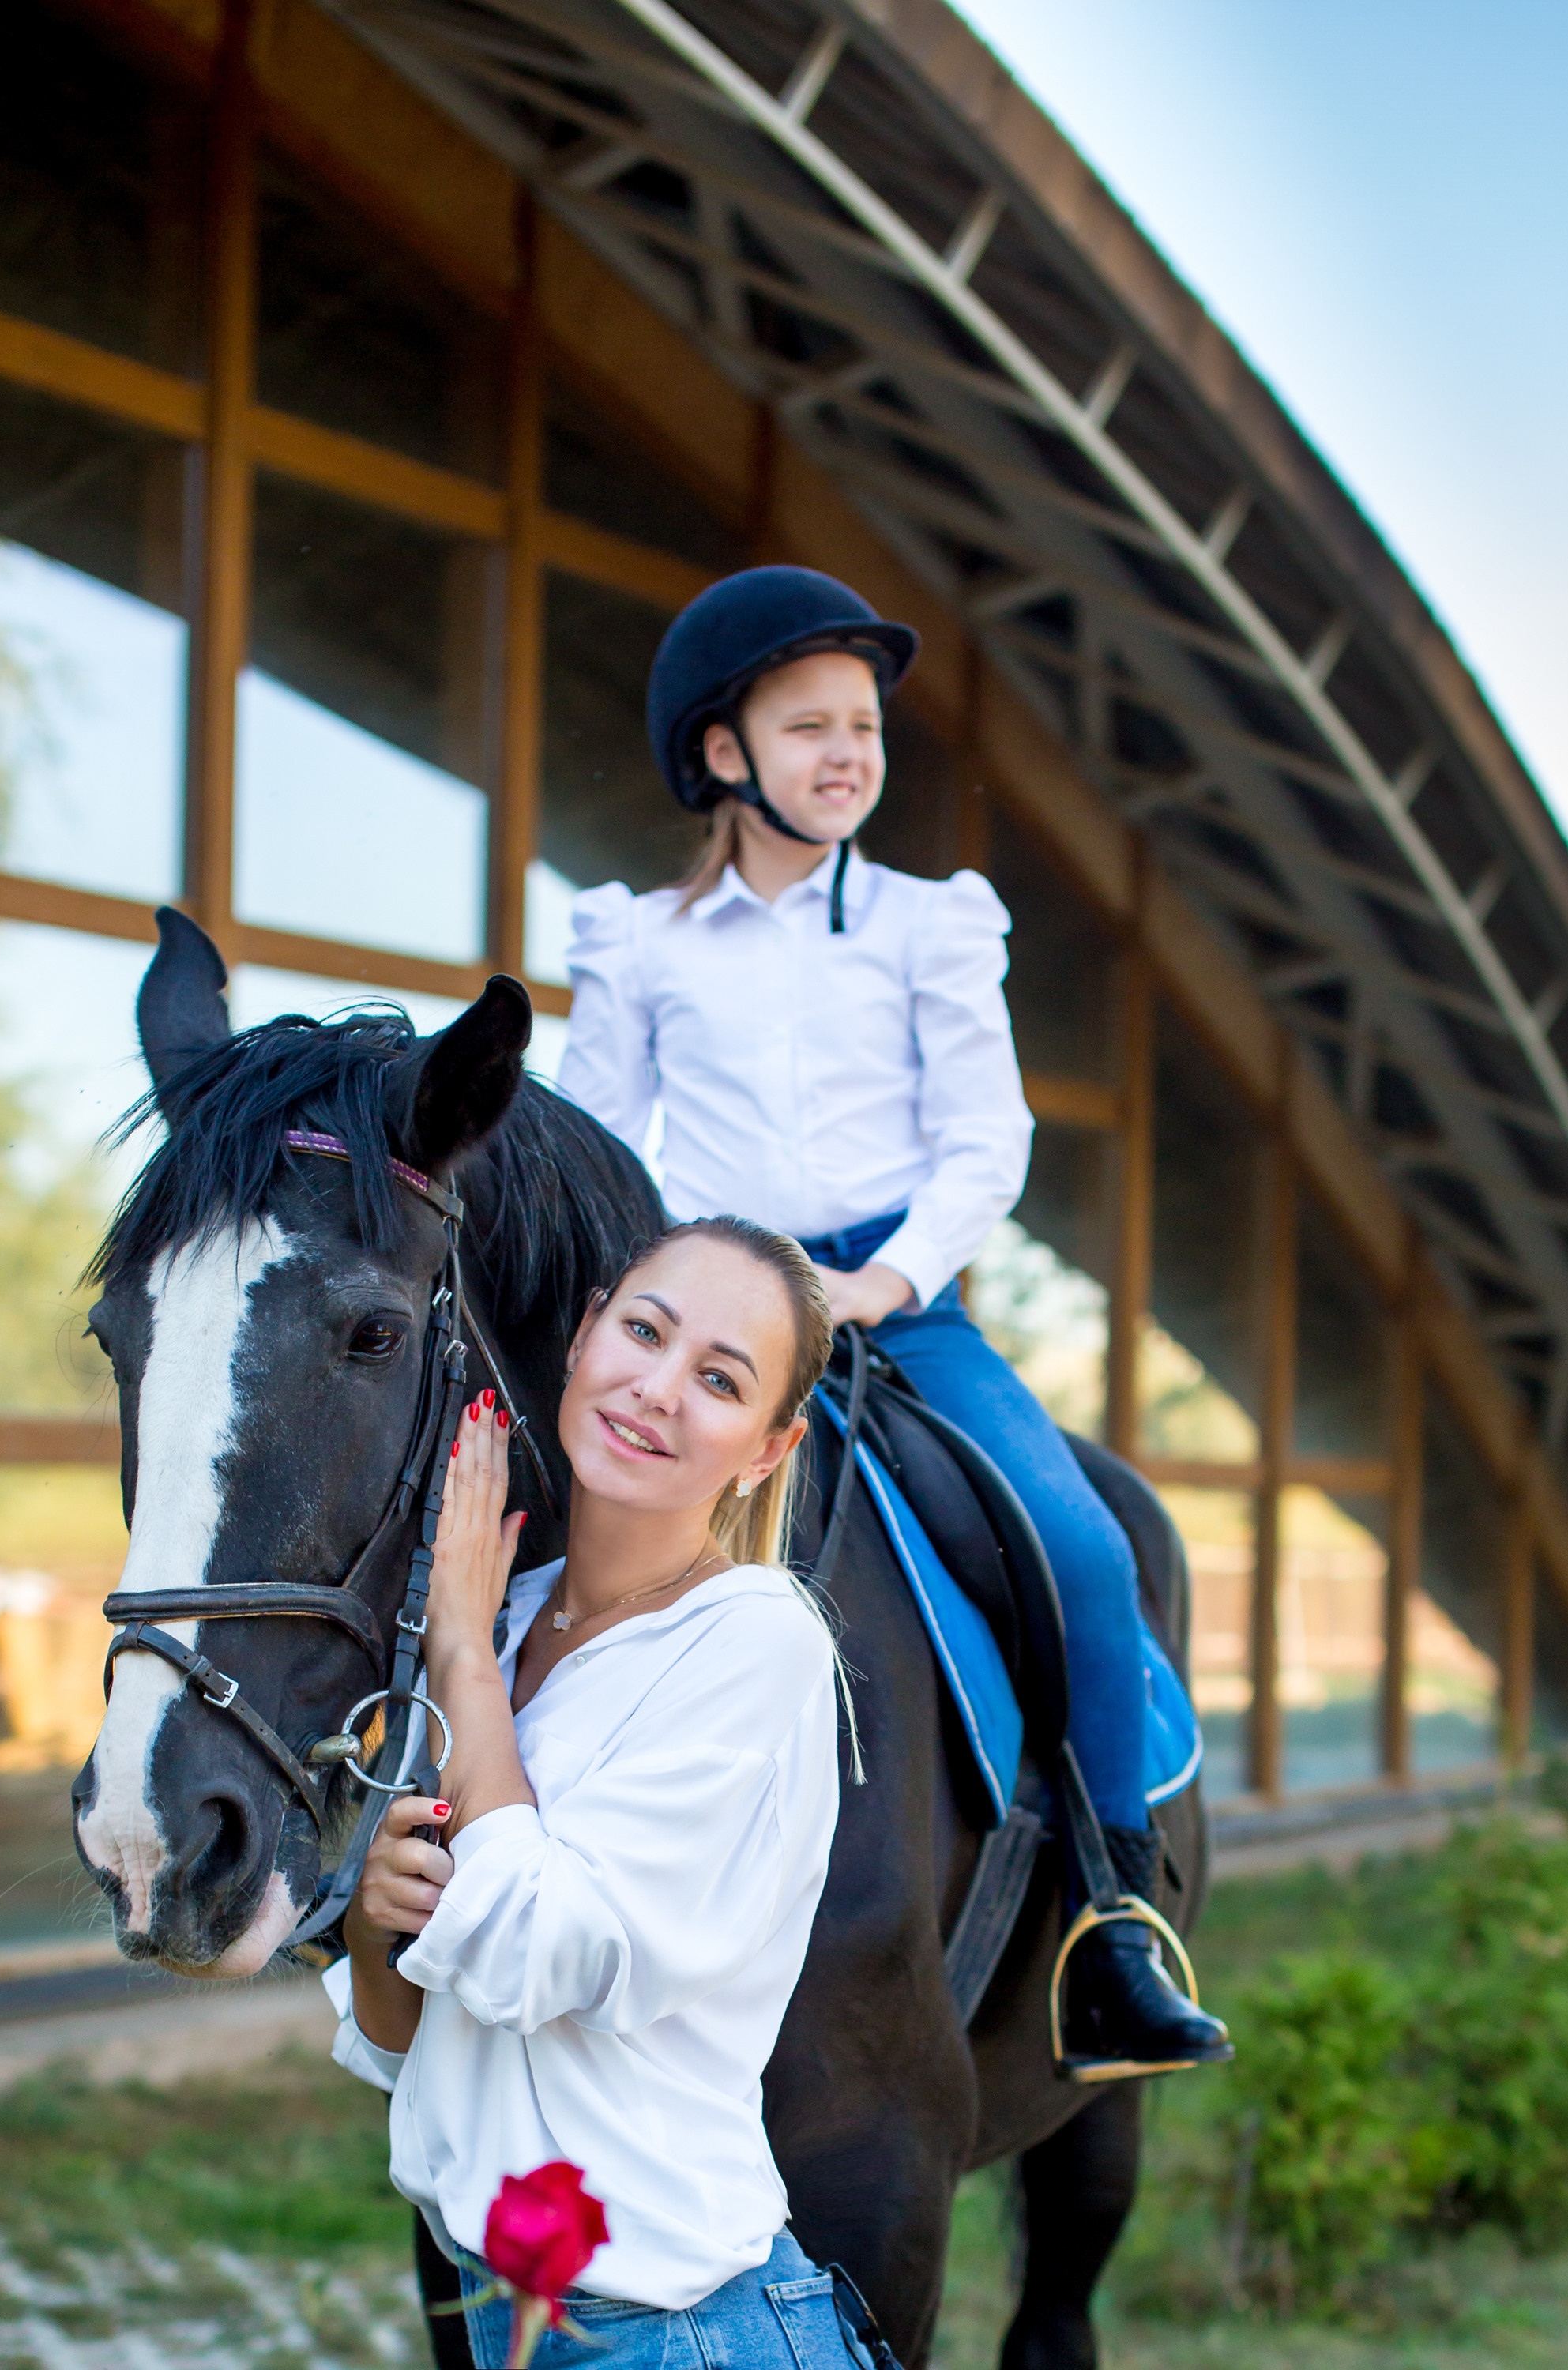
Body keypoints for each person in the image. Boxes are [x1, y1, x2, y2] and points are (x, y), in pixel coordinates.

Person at [557, 564, 1228, 2075]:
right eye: (809, 727)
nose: (849, 752)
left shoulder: (933, 924)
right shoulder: (638, 941)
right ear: (725, 756)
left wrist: (885, 1279)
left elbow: (986, 1141)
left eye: (862, 726)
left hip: (892, 1305)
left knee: (1078, 1543)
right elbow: (602, 1139)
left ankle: (1112, 1917)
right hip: (712, 1303)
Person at [327, 1216, 872, 2370]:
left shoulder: (755, 1644)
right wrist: (378, 1912)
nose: (658, 1388)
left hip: (674, 2331)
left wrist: (462, 1661)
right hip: (507, 2313)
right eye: (643, 1330)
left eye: (718, 1379)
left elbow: (540, 1954)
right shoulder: (512, 1611)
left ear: (766, 1450)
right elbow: (403, 2044)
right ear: (582, 1337)